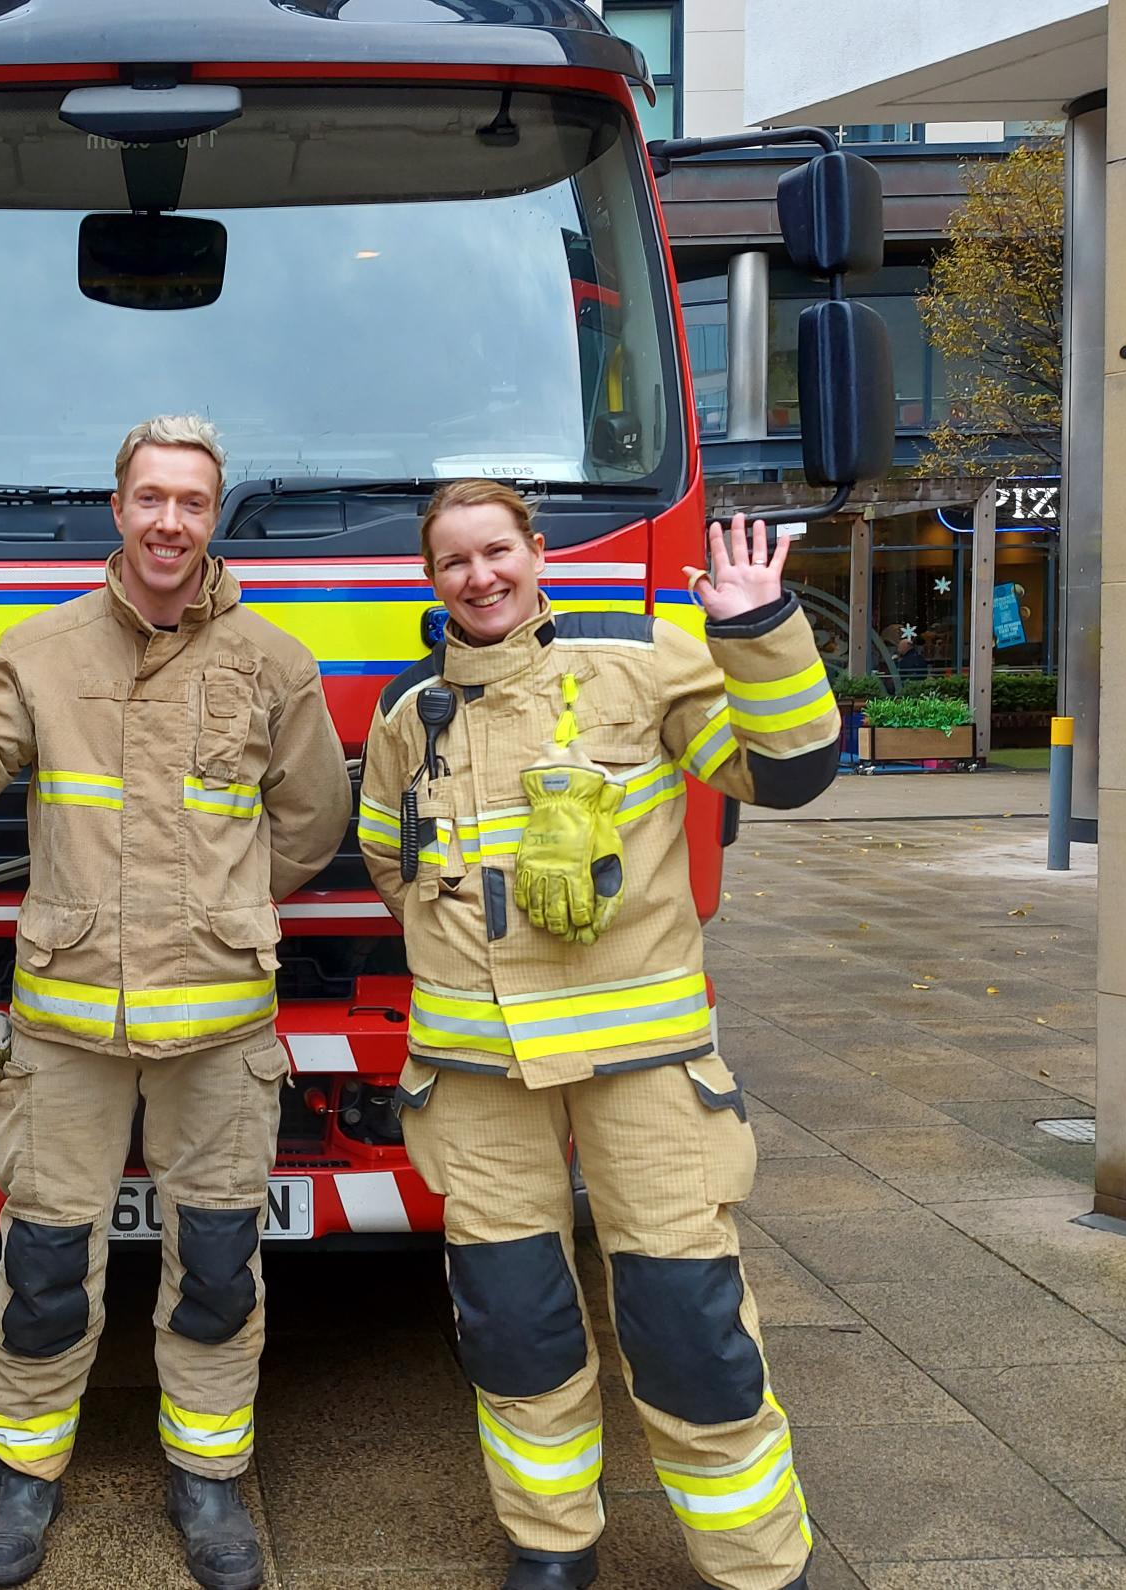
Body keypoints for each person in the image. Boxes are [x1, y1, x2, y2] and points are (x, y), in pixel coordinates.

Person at [0, 415, 349, 1590]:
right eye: (150, 497)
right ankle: (24, 1474)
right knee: (42, 1264)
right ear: (117, 507)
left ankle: (207, 1476)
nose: (168, 521)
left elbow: (311, 824)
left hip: (218, 1027)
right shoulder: (37, 654)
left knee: (218, 1261)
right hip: (67, 1023)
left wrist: (224, 903)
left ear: (213, 514)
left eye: (191, 501)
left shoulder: (271, 661)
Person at [358, 480, 840, 1590]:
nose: (478, 578)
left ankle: (757, 1566)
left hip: (645, 1076)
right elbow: (391, 866)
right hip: (476, 1083)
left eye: (496, 552)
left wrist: (755, 628)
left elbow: (784, 771)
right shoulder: (405, 715)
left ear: (537, 554)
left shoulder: (645, 659)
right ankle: (548, 1542)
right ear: (428, 582)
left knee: (686, 1326)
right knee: (512, 1330)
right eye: (452, 563)